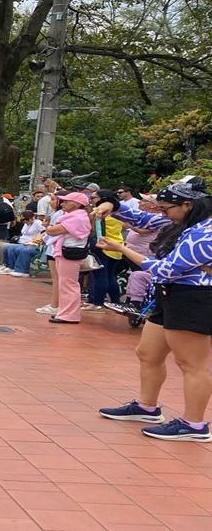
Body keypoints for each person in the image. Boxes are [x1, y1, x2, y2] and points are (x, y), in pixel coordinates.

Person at [96, 178, 212, 442]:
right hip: (170, 294)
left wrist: (121, 247)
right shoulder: (183, 223)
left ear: (187, 204)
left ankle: (194, 425)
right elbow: (141, 219)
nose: (161, 213)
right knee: (148, 352)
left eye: (165, 208)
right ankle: (147, 407)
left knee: (192, 364)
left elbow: (166, 269)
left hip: (194, 298)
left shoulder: (204, 233)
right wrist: (110, 205)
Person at [43, 192, 92, 324]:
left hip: (69, 252)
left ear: (76, 204)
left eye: (66, 201)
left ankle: (69, 315)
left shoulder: (77, 218)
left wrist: (49, 227)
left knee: (68, 284)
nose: (62, 204)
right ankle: (65, 312)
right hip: (66, 251)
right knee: (66, 283)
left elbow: (53, 230)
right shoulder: (74, 216)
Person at [86, 190, 125, 311]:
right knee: (111, 276)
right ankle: (115, 302)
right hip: (117, 244)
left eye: (94, 198)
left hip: (103, 244)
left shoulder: (101, 213)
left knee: (100, 276)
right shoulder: (119, 212)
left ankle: (97, 302)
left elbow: (93, 227)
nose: (92, 200)